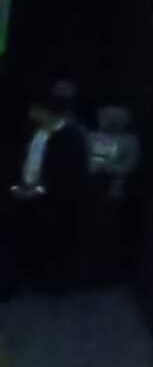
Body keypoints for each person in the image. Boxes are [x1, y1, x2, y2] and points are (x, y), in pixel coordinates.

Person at [3, 94, 90, 294]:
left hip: (55, 201)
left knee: (50, 241)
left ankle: (49, 282)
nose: (30, 113)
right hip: (25, 193)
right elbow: (20, 160)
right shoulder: (34, 131)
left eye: (35, 109)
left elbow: (68, 175)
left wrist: (38, 191)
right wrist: (16, 187)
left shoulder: (71, 136)